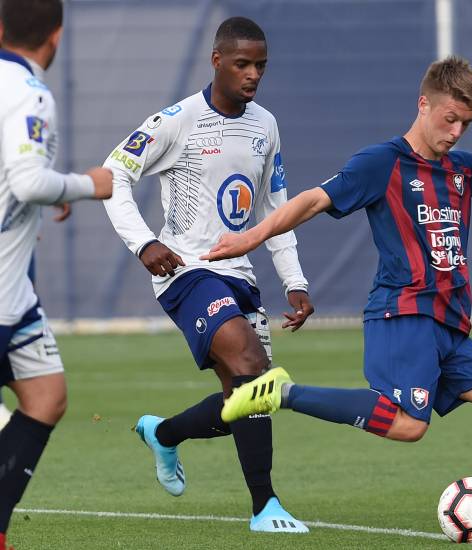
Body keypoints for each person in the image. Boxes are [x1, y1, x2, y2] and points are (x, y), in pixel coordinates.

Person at [205, 55, 472, 542]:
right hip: (403, 313)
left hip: (449, 323)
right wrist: (251, 238)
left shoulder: (462, 170)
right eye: (449, 118)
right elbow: (313, 199)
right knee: (409, 425)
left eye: (466, 123)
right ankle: (282, 393)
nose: (456, 131)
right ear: (423, 103)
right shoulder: (382, 162)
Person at [101, 17, 313, 534]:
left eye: (261, 65)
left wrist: (295, 281)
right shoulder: (178, 120)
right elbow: (113, 174)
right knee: (248, 356)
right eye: (243, 63)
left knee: (248, 395)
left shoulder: (266, 125)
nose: (253, 74)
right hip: (185, 271)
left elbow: (275, 210)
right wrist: (145, 243)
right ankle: (265, 507)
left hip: (238, 274)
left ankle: (166, 433)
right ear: (216, 60)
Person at [0, 0, 114, 547]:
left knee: (46, 396)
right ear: (58, 35)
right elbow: (25, 182)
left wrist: (46, 192)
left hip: (14, 294)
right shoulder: (30, 93)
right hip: (0, 293)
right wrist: (84, 184)